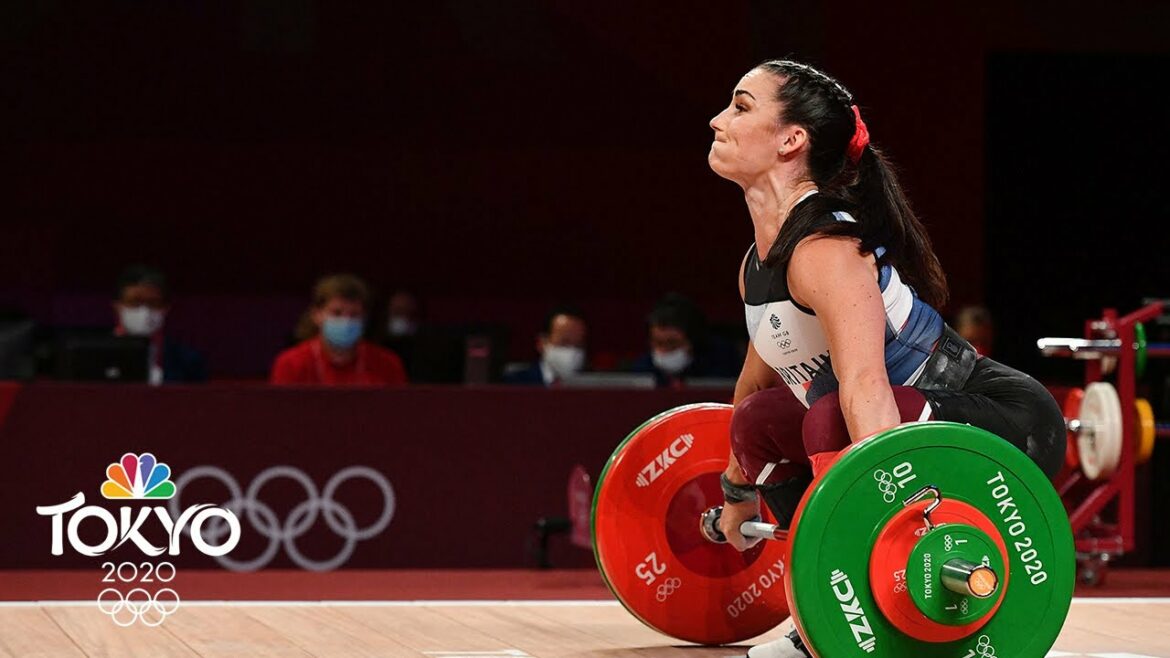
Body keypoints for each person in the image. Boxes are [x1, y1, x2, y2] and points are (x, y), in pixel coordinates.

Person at [705, 60, 1064, 658]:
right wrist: (735, 498)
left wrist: (897, 538)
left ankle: (841, 606)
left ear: (791, 140)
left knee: (828, 416)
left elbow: (866, 390)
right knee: (762, 420)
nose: (718, 119)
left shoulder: (824, 248)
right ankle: (824, 614)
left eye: (741, 107)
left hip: (1007, 425)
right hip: (899, 420)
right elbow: (753, 389)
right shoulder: (757, 264)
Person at [271, 274, 407, 386]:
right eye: (337, 313)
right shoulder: (291, 364)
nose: (346, 321)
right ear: (317, 315)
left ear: (364, 319)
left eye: (354, 314)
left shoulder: (388, 364)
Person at [112, 265, 206, 384]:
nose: (144, 311)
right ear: (118, 306)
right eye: (134, 302)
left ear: (165, 309)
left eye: (153, 303)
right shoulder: (95, 356)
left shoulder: (188, 361)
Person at [629, 293, 739, 387]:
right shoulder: (641, 370)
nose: (664, 350)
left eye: (672, 343)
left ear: (692, 340)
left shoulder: (722, 362)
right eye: (658, 343)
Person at [505, 304, 588, 386]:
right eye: (564, 343)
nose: (572, 352)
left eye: (578, 345)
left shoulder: (589, 387)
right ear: (541, 343)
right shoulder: (514, 384)